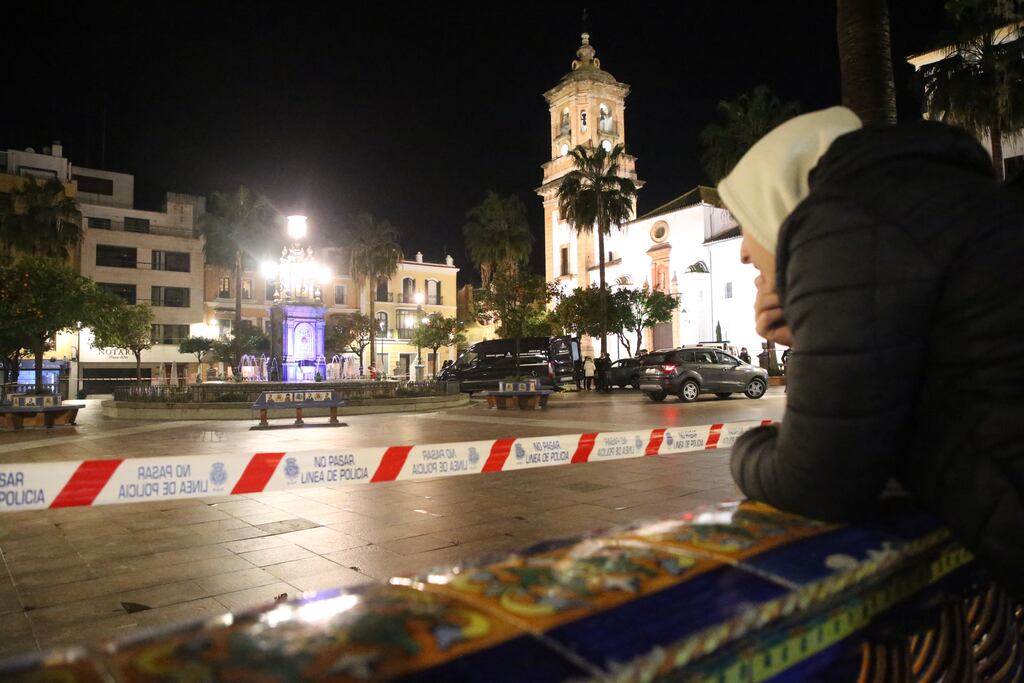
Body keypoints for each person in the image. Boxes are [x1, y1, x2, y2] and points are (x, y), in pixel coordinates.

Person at [718, 106, 1024, 597]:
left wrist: (745, 450)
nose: (741, 251)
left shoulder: (844, 217)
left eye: (743, 217)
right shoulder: (936, 204)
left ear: (778, 199)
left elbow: (816, 481)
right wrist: (813, 335)